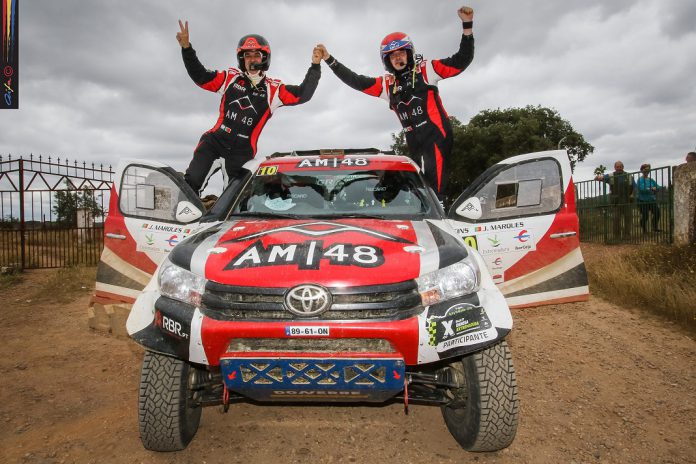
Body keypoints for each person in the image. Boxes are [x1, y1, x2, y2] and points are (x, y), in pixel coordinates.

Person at [316, 6, 475, 203]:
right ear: (387, 61)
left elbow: (461, 60)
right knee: (412, 188)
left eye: (401, 53)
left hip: (436, 136)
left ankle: (440, 210)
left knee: (435, 190)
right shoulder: (387, 84)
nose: (398, 57)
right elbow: (356, 80)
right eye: (393, 55)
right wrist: (329, 60)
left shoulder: (427, 70)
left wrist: (467, 26)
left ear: (410, 53)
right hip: (413, 141)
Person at [176, 20, 323, 194]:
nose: (252, 59)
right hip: (214, 143)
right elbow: (200, 76)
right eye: (247, 55)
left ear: (264, 58)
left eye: (256, 55)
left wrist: (315, 66)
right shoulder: (230, 78)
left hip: (242, 152)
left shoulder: (274, 89)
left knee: (234, 200)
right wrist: (186, 48)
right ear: (242, 59)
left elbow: (302, 94)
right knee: (191, 183)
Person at [595, 161, 635, 241]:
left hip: (627, 200)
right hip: (616, 201)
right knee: (616, 219)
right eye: (617, 167)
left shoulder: (629, 176)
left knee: (628, 218)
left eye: (620, 166)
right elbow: (598, 178)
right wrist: (598, 178)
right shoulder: (611, 175)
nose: (619, 168)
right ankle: (616, 236)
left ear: (623, 167)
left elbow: (634, 186)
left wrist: (632, 195)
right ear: (615, 168)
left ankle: (627, 236)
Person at [636, 163, 661, 233]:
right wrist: (651, 188)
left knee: (657, 213)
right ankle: (644, 229)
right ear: (641, 170)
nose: (647, 171)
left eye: (648, 169)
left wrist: (655, 188)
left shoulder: (651, 180)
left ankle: (654, 227)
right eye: (645, 169)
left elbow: (658, 187)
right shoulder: (640, 180)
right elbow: (641, 189)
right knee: (645, 216)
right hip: (642, 200)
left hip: (652, 200)